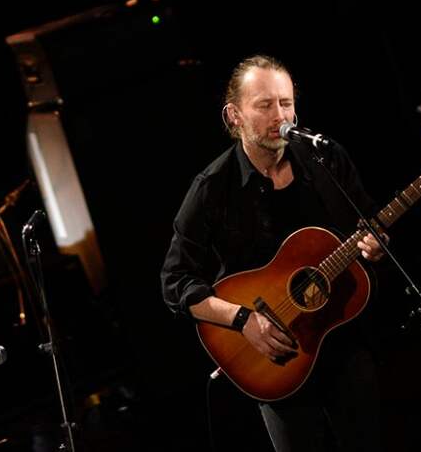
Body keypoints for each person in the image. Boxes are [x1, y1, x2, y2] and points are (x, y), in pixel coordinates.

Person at [161, 54, 387, 452]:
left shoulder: (325, 157)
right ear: (234, 116)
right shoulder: (212, 189)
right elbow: (175, 283)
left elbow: (367, 220)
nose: (279, 115)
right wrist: (244, 319)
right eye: (264, 105)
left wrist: (375, 243)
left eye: (285, 103)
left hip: (342, 338)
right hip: (274, 359)